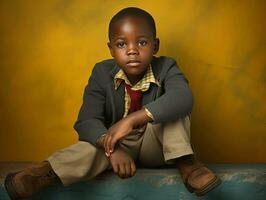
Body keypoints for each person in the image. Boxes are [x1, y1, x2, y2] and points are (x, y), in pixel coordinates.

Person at [4, 7, 221, 199]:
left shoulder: (167, 67)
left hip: (158, 148)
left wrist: (132, 119)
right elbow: (86, 121)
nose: (132, 50)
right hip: (118, 148)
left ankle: (187, 164)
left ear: (155, 46)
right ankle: (43, 174)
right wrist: (111, 150)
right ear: (111, 49)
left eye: (142, 42)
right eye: (121, 44)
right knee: (88, 147)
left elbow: (183, 98)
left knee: (174, 111)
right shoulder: (101, 72)